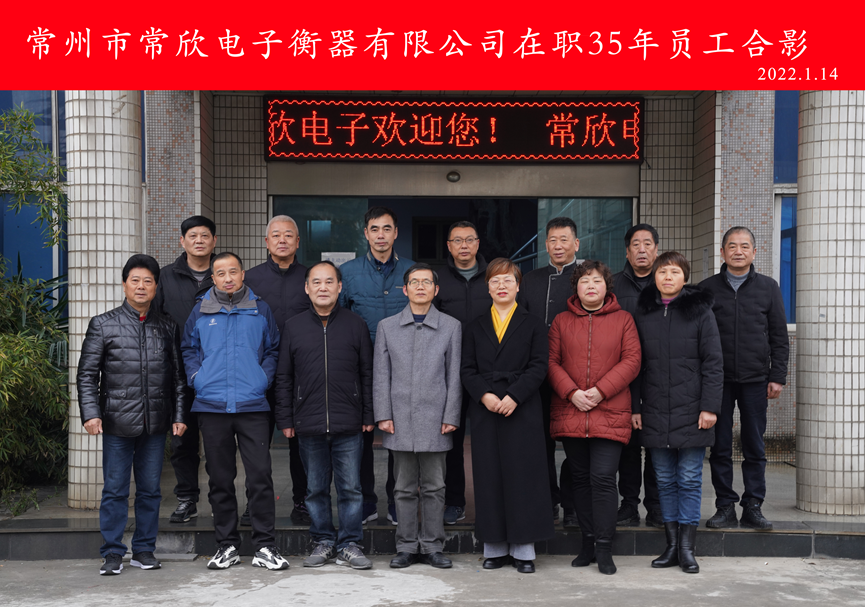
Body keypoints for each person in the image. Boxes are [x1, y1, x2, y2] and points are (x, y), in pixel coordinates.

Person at [77, 254, 187, 575]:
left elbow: (178, 378)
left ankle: (144, 550)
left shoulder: (167, 326)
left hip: (155, 423)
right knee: (115, 490)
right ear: (124, 284)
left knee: (150, 490)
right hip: (116, 423)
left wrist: (179, 415)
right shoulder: (103, 324)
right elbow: (87, 375)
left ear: (156, 287)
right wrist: (91, 413)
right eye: (135, 280)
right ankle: (112, 553)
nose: (141, 286)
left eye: (147, 281)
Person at [181, 252, 289, 571]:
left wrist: (262, 379)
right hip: (212, 405)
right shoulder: (200, 310)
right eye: (220, 273)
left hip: (252, 404)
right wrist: (197, 378)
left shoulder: (260, 309)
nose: (227, 278)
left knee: (260, 477)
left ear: (243, 274)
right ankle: (226, 545)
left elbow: (273, 349)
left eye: (233, 272)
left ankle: (265, 546)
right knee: (219, 478)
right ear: (212, 278)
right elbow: (188, 349)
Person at [275, 261, 375, 569]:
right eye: (316, 282)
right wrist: (286, 419)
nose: (323, 287)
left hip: (349, 422)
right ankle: (323, 541)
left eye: (329, 281)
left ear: (339, 287)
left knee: (351, 489)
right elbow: (284, 376)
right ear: (307, 288)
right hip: (309, 422)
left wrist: (369, 414)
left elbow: (367, 373)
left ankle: (350, 544)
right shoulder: (293, 326)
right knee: (315, 490)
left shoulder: (356, 324)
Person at [548, 260, 642, 575]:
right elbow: (551, 362)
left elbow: (632, 360)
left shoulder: (623, 319)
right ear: (575, 287)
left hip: (609, 411)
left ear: (607, 286)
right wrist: (571, 392)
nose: (590, 286)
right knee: (580, 479)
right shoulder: (561, 321)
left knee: (602, 478)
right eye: (584, 281)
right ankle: (587, 542)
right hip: (572, 411)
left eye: (597, 280)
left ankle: (604, 546)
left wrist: (601, 391)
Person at [632, 252, 723, 574]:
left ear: (685, 277)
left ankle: (687, 548)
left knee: (689, 478)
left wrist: (710, 407)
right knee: (665, 480)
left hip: (693, 409)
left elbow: (713, 362)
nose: (667, 277)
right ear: (654, 277)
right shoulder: (643, 312)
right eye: (662, 272)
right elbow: (635, 364)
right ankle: (671, 546)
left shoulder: (701, 311)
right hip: (655, 409)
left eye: (674, 272)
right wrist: (635, 407)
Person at [461, 258, 554, 574]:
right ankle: (495, 547)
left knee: (523, 478)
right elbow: (467, 369)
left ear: (518, 286)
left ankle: (524, 550)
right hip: (486, 410)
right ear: (487, 287)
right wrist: (485, 395)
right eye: (495, 281)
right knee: (489, 477)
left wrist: (514, 395)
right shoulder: (474, 326)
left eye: (508, 280)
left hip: (522, 408)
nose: (501, 286)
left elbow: (539, 366)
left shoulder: (534, 324)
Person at [373, 263, 462, 570]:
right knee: (403, 487)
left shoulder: (451, 326)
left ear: (436, 290)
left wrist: (451, 414)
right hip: (399, 418)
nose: (420, 286)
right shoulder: (387, 327)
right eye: (414, 282)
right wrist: (383, 414)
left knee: (436, 487)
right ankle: (407, 546)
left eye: (426, 282)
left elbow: (454, 375)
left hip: (437, 418)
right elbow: (381, 375)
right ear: (405, 289)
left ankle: (433, 545)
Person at [700, 226, 789, 530]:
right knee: (720, 446)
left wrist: (777, 376)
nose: (738, 251)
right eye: (732, 246)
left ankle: (753, 504)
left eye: (744, 246)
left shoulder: (768, 287)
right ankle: (725, 506)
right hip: (718, 381)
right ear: (722, 252)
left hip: (755, 379)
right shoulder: (706, 289)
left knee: (754, 445)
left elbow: (779, 336)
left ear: (754, 251)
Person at [339, 206, 415, 526]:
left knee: (400, 437)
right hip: (360, 368)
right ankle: (366, 501)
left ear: (396, 233)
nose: (381, 235)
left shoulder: (412, 271)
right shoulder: (348, 272)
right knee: (361, 436)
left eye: (387, 229)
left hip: (404, 367)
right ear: (366, 233)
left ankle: (398, 501)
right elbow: (340, 319)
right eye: (374, 229)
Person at [244, 215, 310, 527]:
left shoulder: (311, 278)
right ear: (266, 242)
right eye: (276, 235)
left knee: (302, 444)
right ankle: (255, 505)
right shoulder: (250, 280)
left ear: (298, 241)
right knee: (256, 444)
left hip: (302, 374)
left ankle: (303, 502)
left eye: (288, 235)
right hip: (261, 373)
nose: (282, 240)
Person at [154, 215, 217, 524]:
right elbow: (155, 323)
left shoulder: (224, 273)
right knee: (182, 440)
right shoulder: (166, 277)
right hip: (178, 373)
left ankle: (221, 500)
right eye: (193, 236)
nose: (199, 240)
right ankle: (187, 499)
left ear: (214, 241)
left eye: (205, 235)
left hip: (217, 373)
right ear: (182, 241)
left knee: (219, 442)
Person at [518, 217, 580, 525]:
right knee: (539, 441)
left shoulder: (585, 277)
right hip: (537, 374)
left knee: (574, 442)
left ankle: (572, 504)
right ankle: (548, 500)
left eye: (564, 240)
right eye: (553, 240)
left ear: (576, 244)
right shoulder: (530, 279)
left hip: (575, 374)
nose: (558, 246)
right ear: (545, 245)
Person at [433, 220, 492, 525]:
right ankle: (454, 501)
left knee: (487, 442)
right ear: (449, 246)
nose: (464, 245)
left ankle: (490, 502)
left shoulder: (494, 276)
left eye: (469, 239)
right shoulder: (438, 279)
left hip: (487, 373)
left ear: (478, 243)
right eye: (457, 240)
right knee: (452, 442)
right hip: (449, 373)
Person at [612, 224, 663, 528]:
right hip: (623, 375)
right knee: (627, 445)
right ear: (627, 252)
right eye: (635, 244)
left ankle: (655, 505)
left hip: (660, 376)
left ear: (656, 249)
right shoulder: (613, 286)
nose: (641, 249)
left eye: (647, 243)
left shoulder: (667, 283)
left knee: (656, 445)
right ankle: (628, 504)